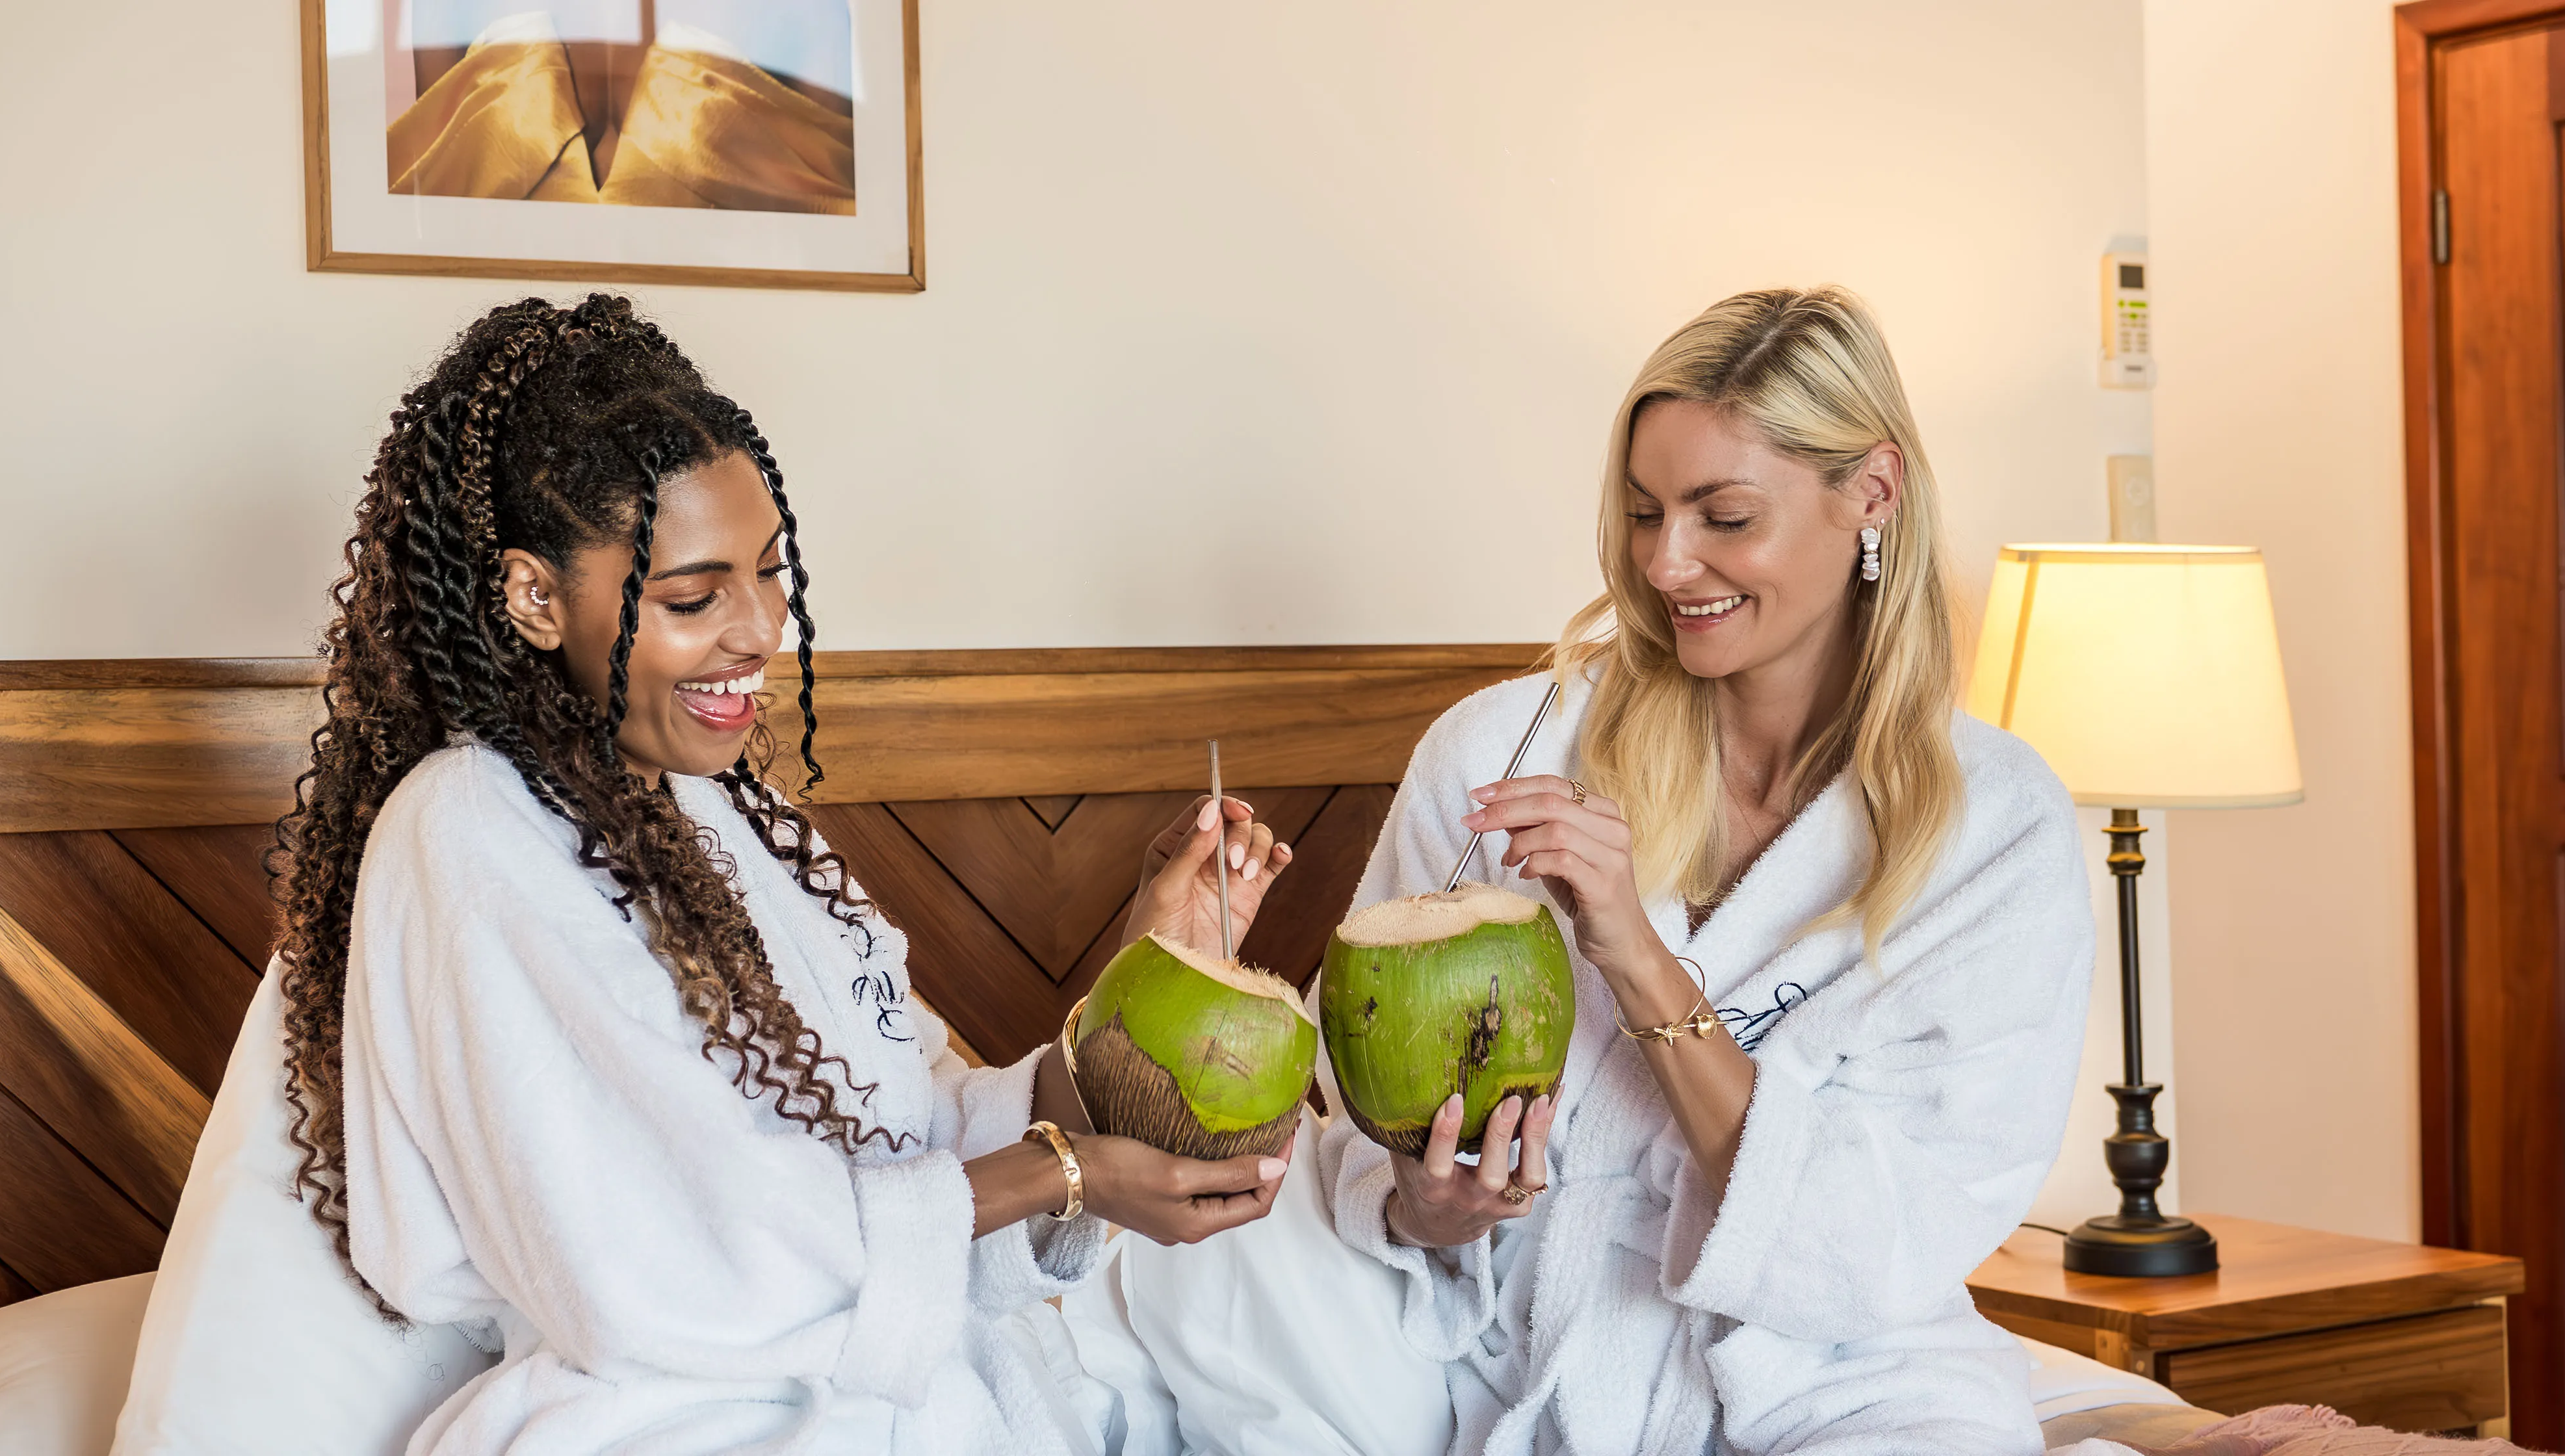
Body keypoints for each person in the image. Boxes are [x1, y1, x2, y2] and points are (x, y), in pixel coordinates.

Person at [1076, 287, 2094, 1455]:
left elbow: (1888, 1237)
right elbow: (1365, 1124)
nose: (1666, 564)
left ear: (1871, 492)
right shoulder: (1507, 747)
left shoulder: (1993, 829)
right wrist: (1427, 1207)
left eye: (1722, 516)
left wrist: (1634, 951)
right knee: (1202, 1275)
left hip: (1819, 1365)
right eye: (1644, 511)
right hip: (1491, 1333)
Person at [269, 294, 1291, 1455]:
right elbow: (664, 1257)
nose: (760, 630)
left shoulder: (725, 822)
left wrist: (1143, 984)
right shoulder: (465, 831)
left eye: (768, 573)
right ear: (534, 597)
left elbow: (913, 1128)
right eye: (695, 597)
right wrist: (1066, 1176)